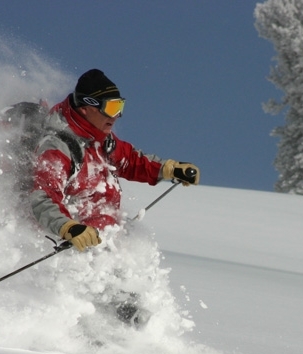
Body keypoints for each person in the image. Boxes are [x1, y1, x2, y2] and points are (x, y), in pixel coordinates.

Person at [29, 68, 200, 251]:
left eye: (119, 107)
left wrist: (169, 169)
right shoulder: (58, 148)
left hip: (102, 245)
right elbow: (44, 196)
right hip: (71, 246)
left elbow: (131, 160)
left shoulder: (100, 141)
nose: (116, 116)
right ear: (86, 108)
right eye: (111, 108)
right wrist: (68, 227)